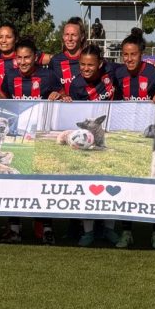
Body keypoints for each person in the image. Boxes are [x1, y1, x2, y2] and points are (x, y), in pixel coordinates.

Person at [0, 37, 62, 245]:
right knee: (14, 181)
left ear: (36, 57)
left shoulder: (49, 75)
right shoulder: (9, 75)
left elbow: (62, 95)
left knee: (41, 183)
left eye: (27, 57)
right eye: (19, 58)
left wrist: (58, 95)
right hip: (17, 137)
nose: (23, 62)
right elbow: (2, 97)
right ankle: (14, 228)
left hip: (41, 138)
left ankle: (47, 228)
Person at [111, 28, 155, 249]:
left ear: (142, 54)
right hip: (129, 138)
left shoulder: (154, 74)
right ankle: (127, 232)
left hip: (152, 138)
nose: (128, 59)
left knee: (154, 184)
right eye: (125, 54)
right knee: (128, 185)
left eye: (133, 54)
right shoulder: (117, 73)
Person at [62, 44, 119, 247]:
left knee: (112, 182)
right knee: (88, 184)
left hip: (102, 135)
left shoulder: (112, 72)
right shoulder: (76, 85)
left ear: (101, 64)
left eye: (90, 65)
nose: (86, 69)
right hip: (87, 139)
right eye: (82, 65)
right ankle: (88, 231)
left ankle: (110, 229)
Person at [0, 22, 50, 96]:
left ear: (16, 39)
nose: (3, 40)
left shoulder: (25, 54)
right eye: (0, 37)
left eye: (8, 37)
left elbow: (54, 59)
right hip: (5, 104)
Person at [50, 17, 87, 96]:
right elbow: (50, 86)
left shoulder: (89, 60)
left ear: (82, 36)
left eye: (74, 35)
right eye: (67, 34)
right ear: (63, 36)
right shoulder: (55, 61)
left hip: (85, 106)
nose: (69, 39)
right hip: (62, 107)